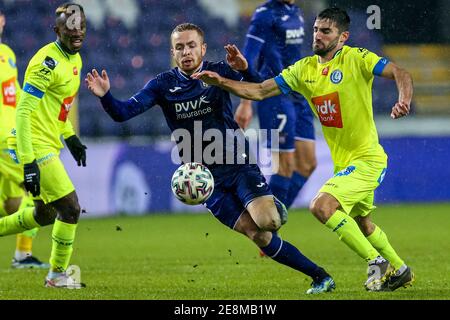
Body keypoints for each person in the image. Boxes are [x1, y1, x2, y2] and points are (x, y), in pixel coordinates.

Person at [86, 22, 335, 294]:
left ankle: (271, 206)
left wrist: (243, 68)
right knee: (260, 236)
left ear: (202, 48)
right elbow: (122, 113)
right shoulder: (162, 85)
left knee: (269, 222)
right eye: (179, 47)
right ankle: (321, 276)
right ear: (172, 52)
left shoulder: (218, 71)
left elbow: (259, 87)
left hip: (238, 164)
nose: (186, 52)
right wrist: (106, 96)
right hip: (205, 180)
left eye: (191, 45)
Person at [192, 7, 415, 292]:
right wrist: (222, 82)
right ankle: (401, 269)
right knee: (363, 223)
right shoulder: (304, 69)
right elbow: (260, 90)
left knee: (321, 206)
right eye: (315, 30)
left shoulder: (357, 58)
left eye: (326, 31)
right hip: (345, 163)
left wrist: (404, 100)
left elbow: (400, 72)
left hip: (368, 159)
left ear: (343, 37)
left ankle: (377, 263)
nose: (318, 36)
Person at [0, 3, 87, 288]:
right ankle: (57, 276)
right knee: (71, 208)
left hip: (48, 142)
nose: (77, 32)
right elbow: (23, 112)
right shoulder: (45, 62)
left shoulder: (75, 60)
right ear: (57, 30)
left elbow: (59, 108)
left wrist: (70, 136)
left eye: (81, 26)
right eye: (70, 27)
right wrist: (28, 161)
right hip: (32, 144)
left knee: (45, 213)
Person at [235, 0, 316, 210]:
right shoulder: (265, 14)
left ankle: (274, 219)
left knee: (307, 164)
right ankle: (269, 228)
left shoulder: (296, 11)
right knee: (284, 167)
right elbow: (248, 59)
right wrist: (246, 101)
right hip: (274, 95)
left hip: (297, 95)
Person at [0, 10, 49, 269]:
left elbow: (13, 92)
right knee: (35, 187)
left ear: (3, 20)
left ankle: (23, 254)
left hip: (9, 139)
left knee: (12, 201)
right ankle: (23, 255)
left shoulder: (6, 53)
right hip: (3, 142)